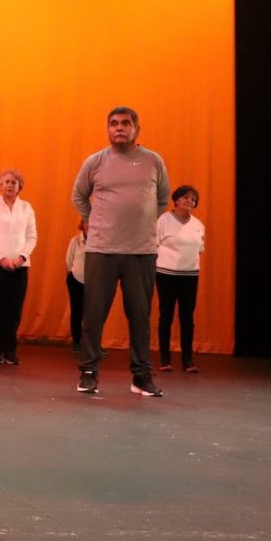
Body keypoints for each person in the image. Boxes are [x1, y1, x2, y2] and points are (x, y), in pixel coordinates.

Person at [71, 106, 171, 397]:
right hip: (102, 249)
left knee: (140, 315)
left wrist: (142, 222)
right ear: (108, 129)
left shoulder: (153, 161)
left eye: (126, 123)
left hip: (141, 252)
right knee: (94, 314)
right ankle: (89, 372)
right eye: (114, 123)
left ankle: (141, 377)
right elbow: (78, 195)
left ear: (136, 129)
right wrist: (95, 220)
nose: (119, 127)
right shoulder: (96, 162)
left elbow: (163, 198)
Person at [0, 168, 37, 365]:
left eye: (14, 182)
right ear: (1, 185)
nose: (10, 185)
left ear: (20, 186)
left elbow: (32, 237)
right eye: (6, 182)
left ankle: (10, 350)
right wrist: (2, 259)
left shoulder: (26, 208)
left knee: (14, 309)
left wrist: (21, 258)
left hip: (20, 266)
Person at [154, 185, 205, 373]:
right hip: (166, 275)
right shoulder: (164, 220)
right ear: (176, 200)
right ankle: (165, 359)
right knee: (166, 316)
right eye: (185, 197)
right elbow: (154, 244)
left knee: (187, 318)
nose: (189, 201)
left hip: (190, 276)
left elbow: (200, 249)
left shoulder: (198, 225)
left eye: (193, 199)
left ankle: (188, 360)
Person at [64, 218, 86, 355]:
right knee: (77, 311)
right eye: (87, 222)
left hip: (94, 283)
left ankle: (92, 343)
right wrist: (70, 276)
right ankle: (76, 342)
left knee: (94, 314)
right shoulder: (76, 241)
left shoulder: (100, 242)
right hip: (76, 280)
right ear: (82, 225)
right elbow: (68, 260)